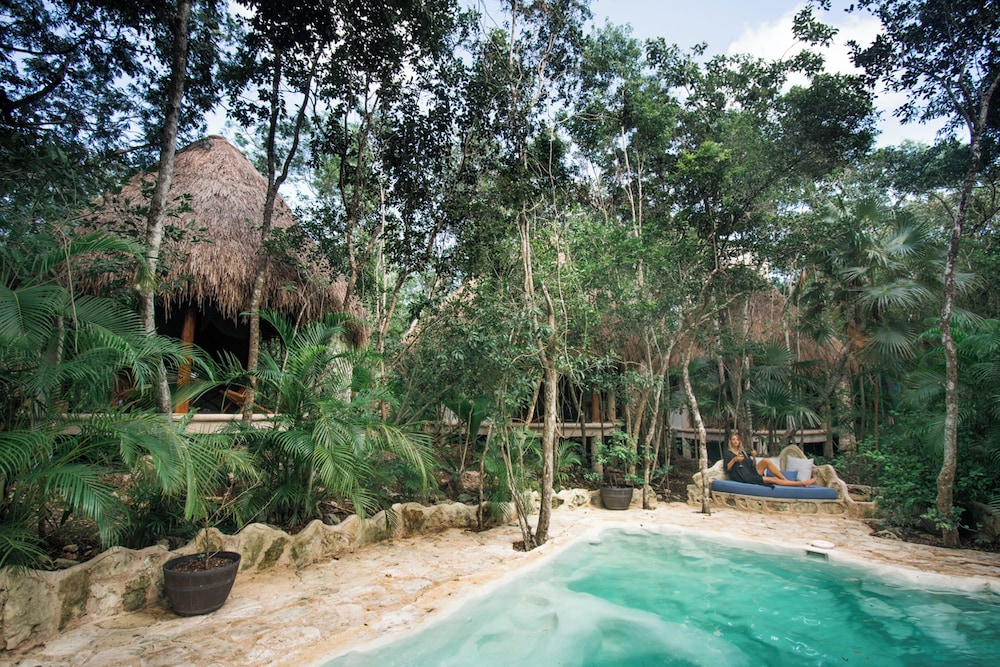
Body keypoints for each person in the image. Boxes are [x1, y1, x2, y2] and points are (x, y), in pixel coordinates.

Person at [722, 434, 817, 487]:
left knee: (766, 461)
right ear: (730, 441)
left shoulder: (743, 452)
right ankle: (803, 483)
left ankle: (786, 480)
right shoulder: (728, 453)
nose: (736, 441)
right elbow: (727, 468)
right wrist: (734, 459)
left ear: (739, 442)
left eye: (737, 440)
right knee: (774, 479)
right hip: (743, 476)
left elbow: (752, 465)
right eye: (733, 439)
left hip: (751, 472)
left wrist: (754, 457)